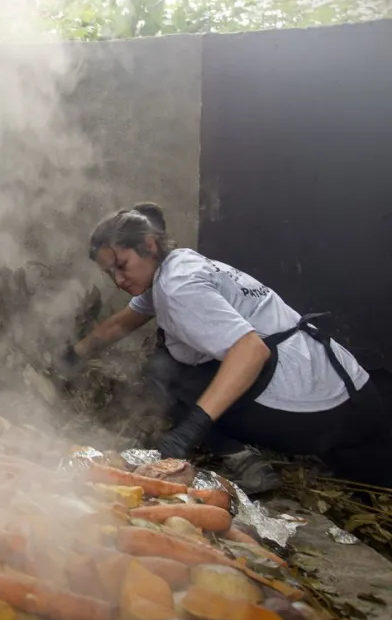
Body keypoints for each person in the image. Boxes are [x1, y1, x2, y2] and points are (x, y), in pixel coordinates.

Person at [61, 202, 392, 492]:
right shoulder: (177, 264)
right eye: (109, 273)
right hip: (349, 391)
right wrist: (74, 355)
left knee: (165, 375)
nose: (118, 280)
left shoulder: (178, 287)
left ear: (149, 245)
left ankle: (242, 460)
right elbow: (120, 323)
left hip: (323, 408)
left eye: (121, 265)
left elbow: (252, 351)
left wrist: (191, 428)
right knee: (170, 363)